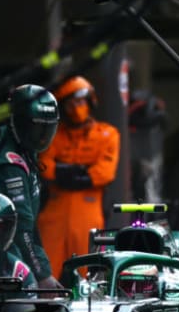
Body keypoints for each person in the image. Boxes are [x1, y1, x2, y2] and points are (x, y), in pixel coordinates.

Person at [0, 84, 61, 289]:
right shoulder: (10, 165)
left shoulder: (18, 144)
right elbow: (22, 227)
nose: (42, 137)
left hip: (9, 252)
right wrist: (42, 274)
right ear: (20, 123)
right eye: (37, 128)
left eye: (47, 128)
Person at [38, 75, 120, 279]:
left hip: (89, 209)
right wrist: (63, 172)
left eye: (80, 101)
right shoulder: (54, 134)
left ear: (90, 102)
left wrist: (80, 177)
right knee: (46, 271)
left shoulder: (107, 134)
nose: (76, 108)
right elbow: (43, 164)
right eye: (71, 103)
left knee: (86, 271)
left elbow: (106, 171)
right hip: (54, 210)